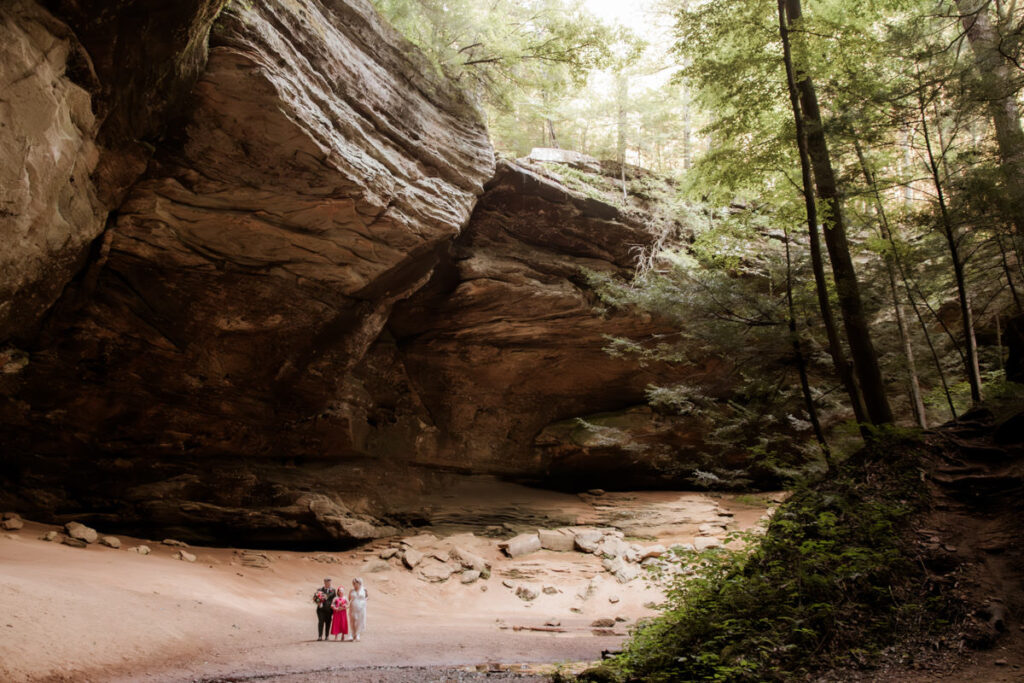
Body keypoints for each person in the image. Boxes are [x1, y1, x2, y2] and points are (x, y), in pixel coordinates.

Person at [348, 577, 368, 641]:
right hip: (353, 607)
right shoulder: (351, 590)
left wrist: (364, 601)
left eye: (356, 583)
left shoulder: (364, 590)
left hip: (361, 608)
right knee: (352, 621)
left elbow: (367, 597)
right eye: (353, 583)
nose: (354, 585)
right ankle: (352, 634)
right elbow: (349, 598)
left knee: (359, 621)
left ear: (359, 583)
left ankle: (357, 634)